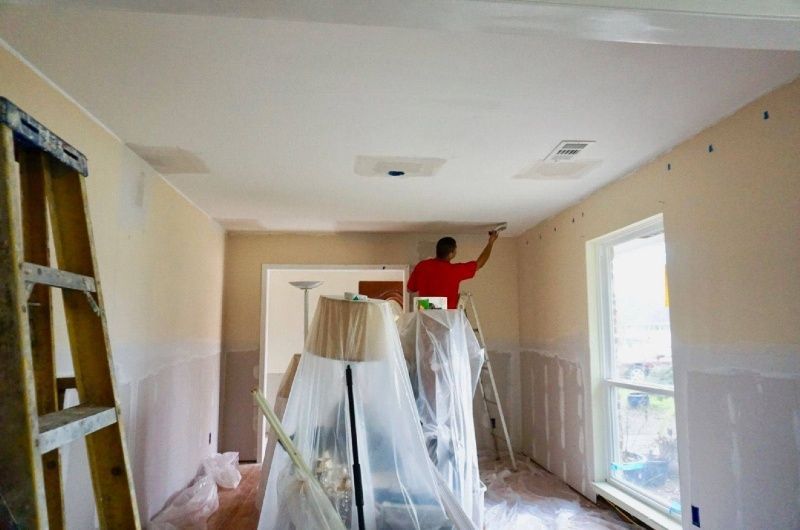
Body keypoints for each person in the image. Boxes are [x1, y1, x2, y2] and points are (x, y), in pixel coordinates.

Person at [407, 231, 499, 309]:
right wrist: (491, 242)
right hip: (446, 317)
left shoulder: (422, 266)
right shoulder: (454, 271)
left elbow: (410, 289)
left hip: (424, 315)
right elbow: (479, 264)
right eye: (455, 250)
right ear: (451, 254)